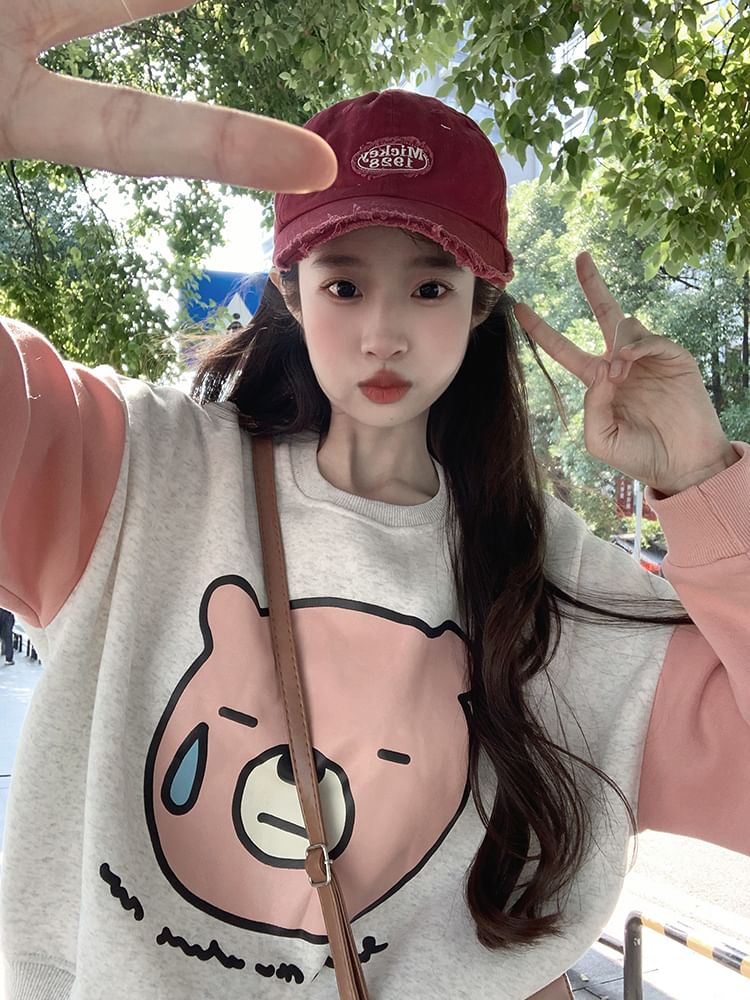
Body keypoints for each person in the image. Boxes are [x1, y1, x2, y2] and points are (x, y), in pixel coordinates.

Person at [1, 3, 749, 1000]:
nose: (383, 333)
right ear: (290, 287)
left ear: (481, 301)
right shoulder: (129, 472)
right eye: (345, 285)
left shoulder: (552, 579)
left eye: (429, 288)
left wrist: (704, 479)